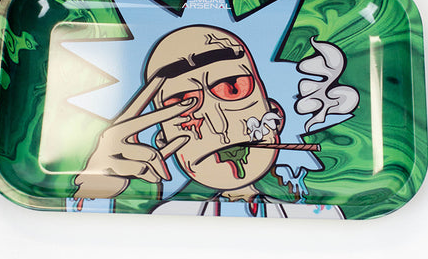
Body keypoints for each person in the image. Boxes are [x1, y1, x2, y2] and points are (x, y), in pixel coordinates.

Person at [74, 24, 350, 219]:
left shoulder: (322, 216)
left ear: (275, 116)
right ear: (162, 140)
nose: (219, 128)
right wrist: (98, 189)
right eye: (183, 104)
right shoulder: (165, 219)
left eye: (233, 88)